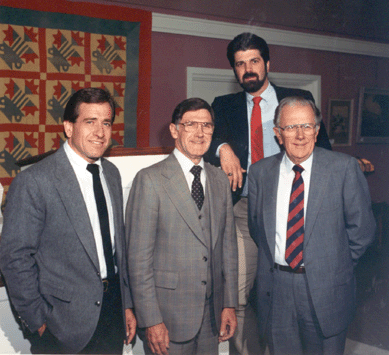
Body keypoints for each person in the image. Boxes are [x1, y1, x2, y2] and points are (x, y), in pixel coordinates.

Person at [204, 32, 332, 355]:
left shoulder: (298, 97)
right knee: (238, 292)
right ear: (234, 70)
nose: (248, 69)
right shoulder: (224, 105)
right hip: (244, 211)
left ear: (267, 64)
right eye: (240, 64)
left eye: (254, 61)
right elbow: (204, 140)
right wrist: (222, 149)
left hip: (292, 207)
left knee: (292, 288)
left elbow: (324, 148)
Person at [0, 88, 136, 354]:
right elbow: (14, 257)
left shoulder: (112, 173)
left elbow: (117, 250)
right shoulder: (35, 181)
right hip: (61, 326)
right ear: (68, 127)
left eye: (106, 123)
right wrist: (39, 323)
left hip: (111, 315)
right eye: (90, 122)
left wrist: (126, 305)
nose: (100, 132)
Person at [248, 96, 376, 355]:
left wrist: (334, 265)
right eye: (291, 127)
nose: (300, 135)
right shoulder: (260, 173)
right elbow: (256, 228)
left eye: (307, 126)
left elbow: (363, 231)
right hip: (277, 290)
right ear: (277, 134)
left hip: (327, 290)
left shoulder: (343, 168)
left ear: (317, 132)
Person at [126, 97, 238, 355]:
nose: (200, 133)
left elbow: (228, 250)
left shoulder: (220, 180)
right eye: (191, 124)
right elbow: (138, 261)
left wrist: (229, 304)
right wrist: (151, 320)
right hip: (167, 321)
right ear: (175, 130)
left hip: (211, 319)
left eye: (207, 126)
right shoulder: (150, 180)